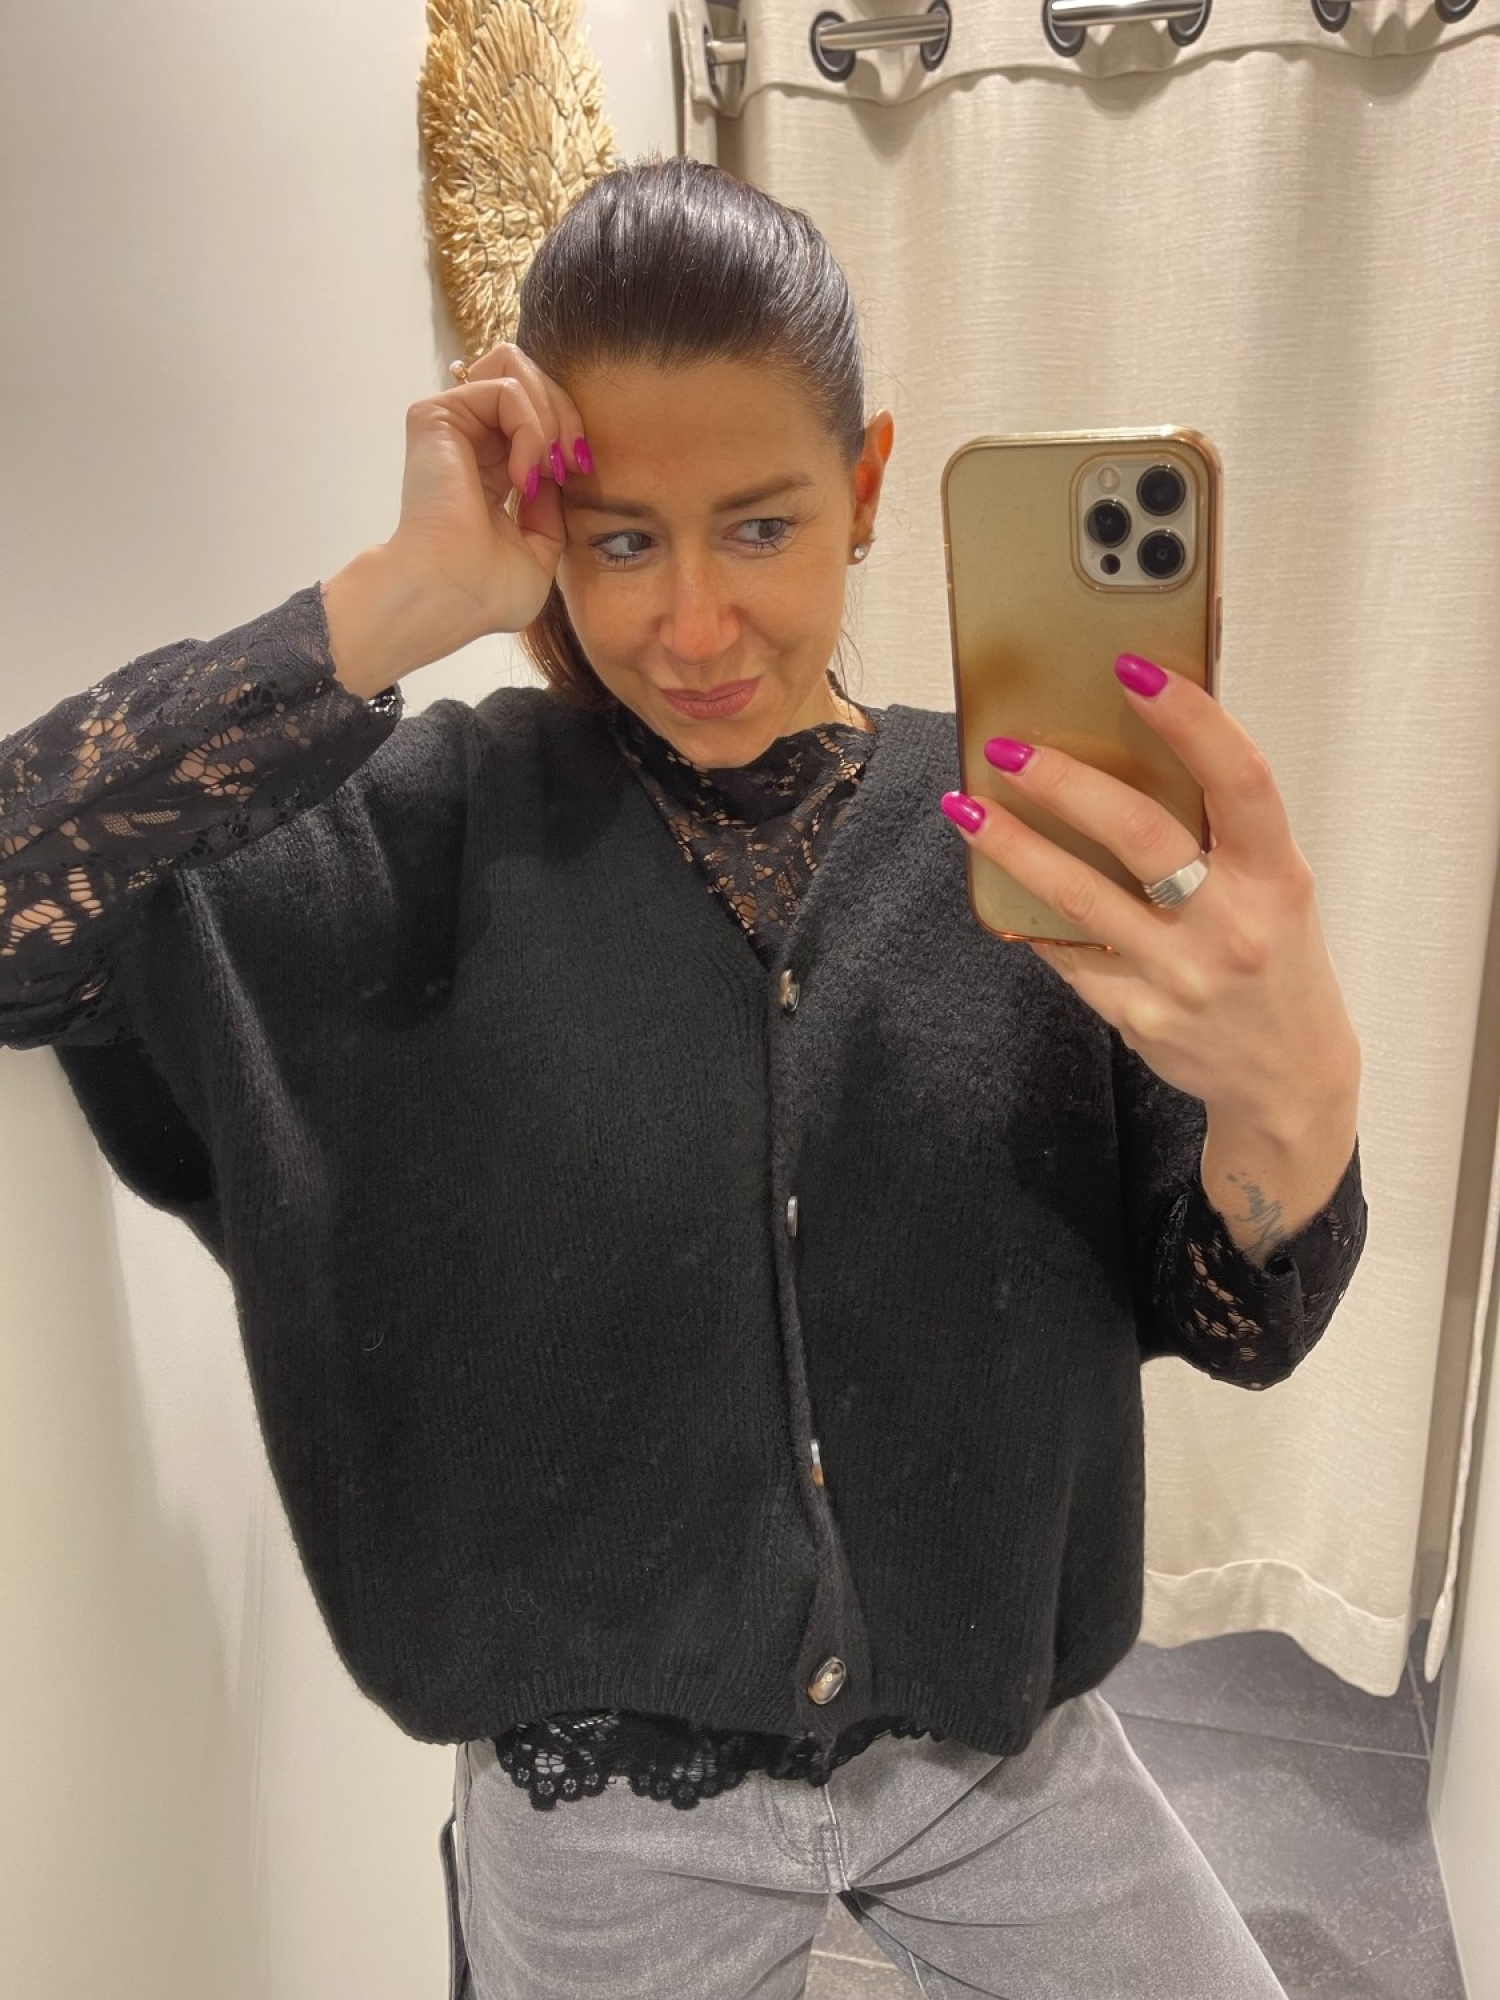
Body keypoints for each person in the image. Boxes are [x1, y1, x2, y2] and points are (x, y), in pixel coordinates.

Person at [0, 156, 1365, 2000]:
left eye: (760, 525)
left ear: (867, 491)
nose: (694, 625)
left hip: (993, 1760)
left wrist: (1296, 1099)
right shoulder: (425, 838)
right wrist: (399, 599)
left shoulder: (1028, 833)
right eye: (622, 540)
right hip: (600, 1811)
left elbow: (1239, 1317)